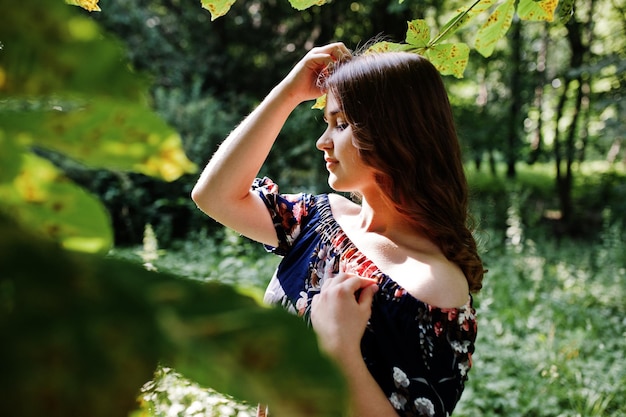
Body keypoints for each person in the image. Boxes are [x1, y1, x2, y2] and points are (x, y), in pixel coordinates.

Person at [191, 42, 484, 417]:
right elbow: (214, 195)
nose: (322, 141)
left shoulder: (432, 287)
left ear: (395, 132)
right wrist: (288, 94)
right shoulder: (316, 220)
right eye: (327, 123)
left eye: (341, 124)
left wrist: (339, 348)